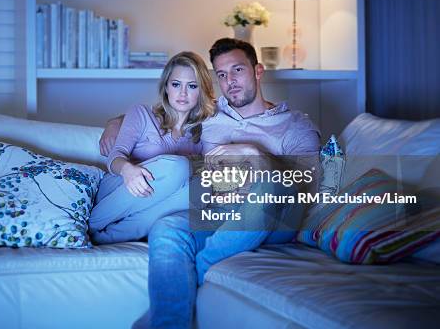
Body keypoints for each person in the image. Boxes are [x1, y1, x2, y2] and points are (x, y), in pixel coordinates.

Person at [99, 38, 321, 328]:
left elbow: (307, 183)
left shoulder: (294, 124)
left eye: (238, 70)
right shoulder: (212, 114)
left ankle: (200, 269)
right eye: (222, 74)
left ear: (258, 71)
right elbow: (161, 112)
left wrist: (252, 153)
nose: (230, 81)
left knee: (271, 186)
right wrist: (113, 124)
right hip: (216, 213)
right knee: (167, 227)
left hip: (269, 216)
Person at [89, 51, 216, 244]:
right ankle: (91, 223)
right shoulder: (141, 114)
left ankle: (108, 237)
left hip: (153, 204)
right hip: (119, 188)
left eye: (192, 86)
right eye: (176, 84)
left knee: (203, 187)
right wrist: (127, 169)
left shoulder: (201, 133)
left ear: (201, 91)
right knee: (179, 167)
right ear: (166, 87)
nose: (183, 93)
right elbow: (116, 155)